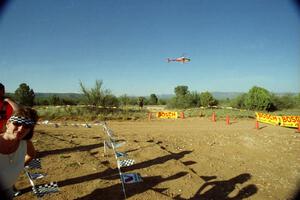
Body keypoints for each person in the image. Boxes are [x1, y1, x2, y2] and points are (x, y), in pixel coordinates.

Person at [0, 106, 38, 199]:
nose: (21, 129)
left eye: (26, 126)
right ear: (8, 123)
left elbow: (31, 155)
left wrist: (19, 166)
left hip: (8, 190)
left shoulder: (25, 143)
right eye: (17, 123)